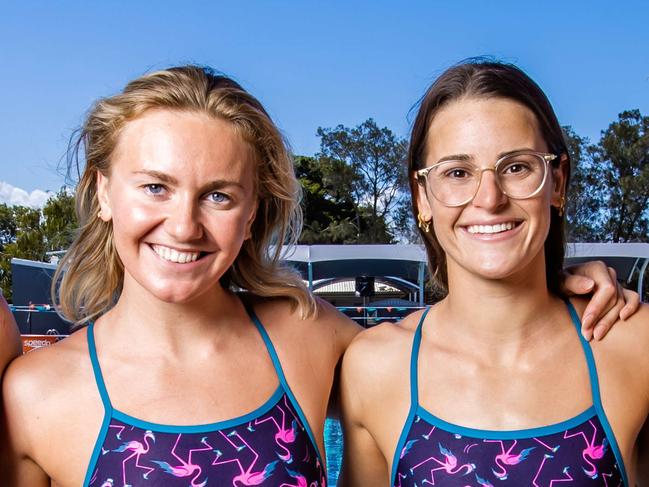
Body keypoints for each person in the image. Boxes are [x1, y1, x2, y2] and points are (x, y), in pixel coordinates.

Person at [0, 65, 638, 487]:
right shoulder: (33, 398)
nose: (184, 225)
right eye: (155, 187)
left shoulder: (310, 341)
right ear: (102, 191)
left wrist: (553, 278)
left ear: (253, 211)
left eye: (219, 195)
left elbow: (478, 336)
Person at [339, 60, 649, 486]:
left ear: (556, 182)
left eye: (517, 167)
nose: (489, 198)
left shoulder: (633, 344)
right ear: (422, 198)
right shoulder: (375, 366)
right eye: (457, 173)